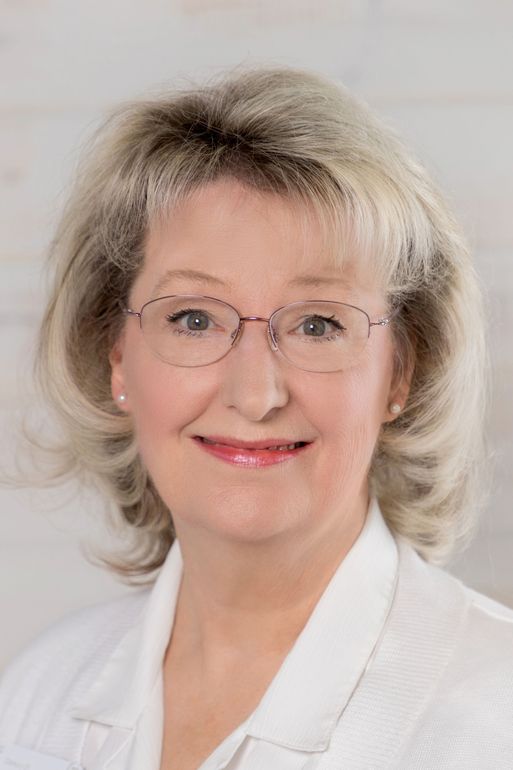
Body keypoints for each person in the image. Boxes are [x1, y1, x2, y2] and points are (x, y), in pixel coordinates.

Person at [0, 65, 512, 770]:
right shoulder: (36, 698)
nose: (256, 393)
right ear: (115, 355)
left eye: (318, 326)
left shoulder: (492, 719)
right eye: (192, 318)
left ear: (400, 371)